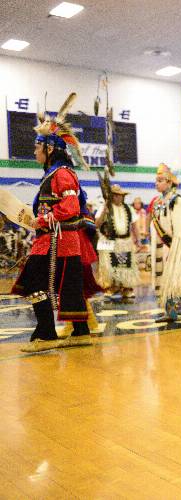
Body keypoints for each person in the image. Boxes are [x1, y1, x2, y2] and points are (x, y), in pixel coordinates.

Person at [11, 93, 93, 352]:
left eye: (37, 147)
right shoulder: (53, 174)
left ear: (50, 149)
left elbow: (70, 206)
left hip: (58, 240)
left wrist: (44, 218)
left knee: (36, 282)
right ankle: (80, 332)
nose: (34, 151)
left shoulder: (63, 174)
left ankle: (46, 333)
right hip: (53, 239)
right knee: (67, 285)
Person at [149, 163, 181, 321]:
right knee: (164, 279)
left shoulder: (176, 200)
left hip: (176, 246)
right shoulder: (157, 202)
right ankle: (170, 312)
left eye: (161, 180)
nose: (157, 183)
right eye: (156, 180)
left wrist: (180, 243)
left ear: (170, 182)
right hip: (162, 247)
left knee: (179, 278)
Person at [95, 184, 140, 301]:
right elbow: (97, 224)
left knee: (125, 267)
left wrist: (138, 240)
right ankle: (110, 288)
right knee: (109, 266)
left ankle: (126, 288)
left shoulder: (129, 209)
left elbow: (134, 225)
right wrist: (104, 209)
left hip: (125, 241)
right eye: (115, 195)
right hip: (109, 241)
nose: (118, 197)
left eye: (120, 195)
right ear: (111, 196)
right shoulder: (104, 207)